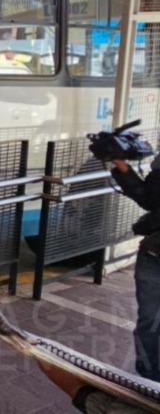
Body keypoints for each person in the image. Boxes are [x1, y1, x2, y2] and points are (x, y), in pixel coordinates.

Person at [109, 154, 160, 382]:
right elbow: (148, 199)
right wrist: (122, 168)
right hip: (153, 258)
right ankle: (149, 380)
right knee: (149, 319)